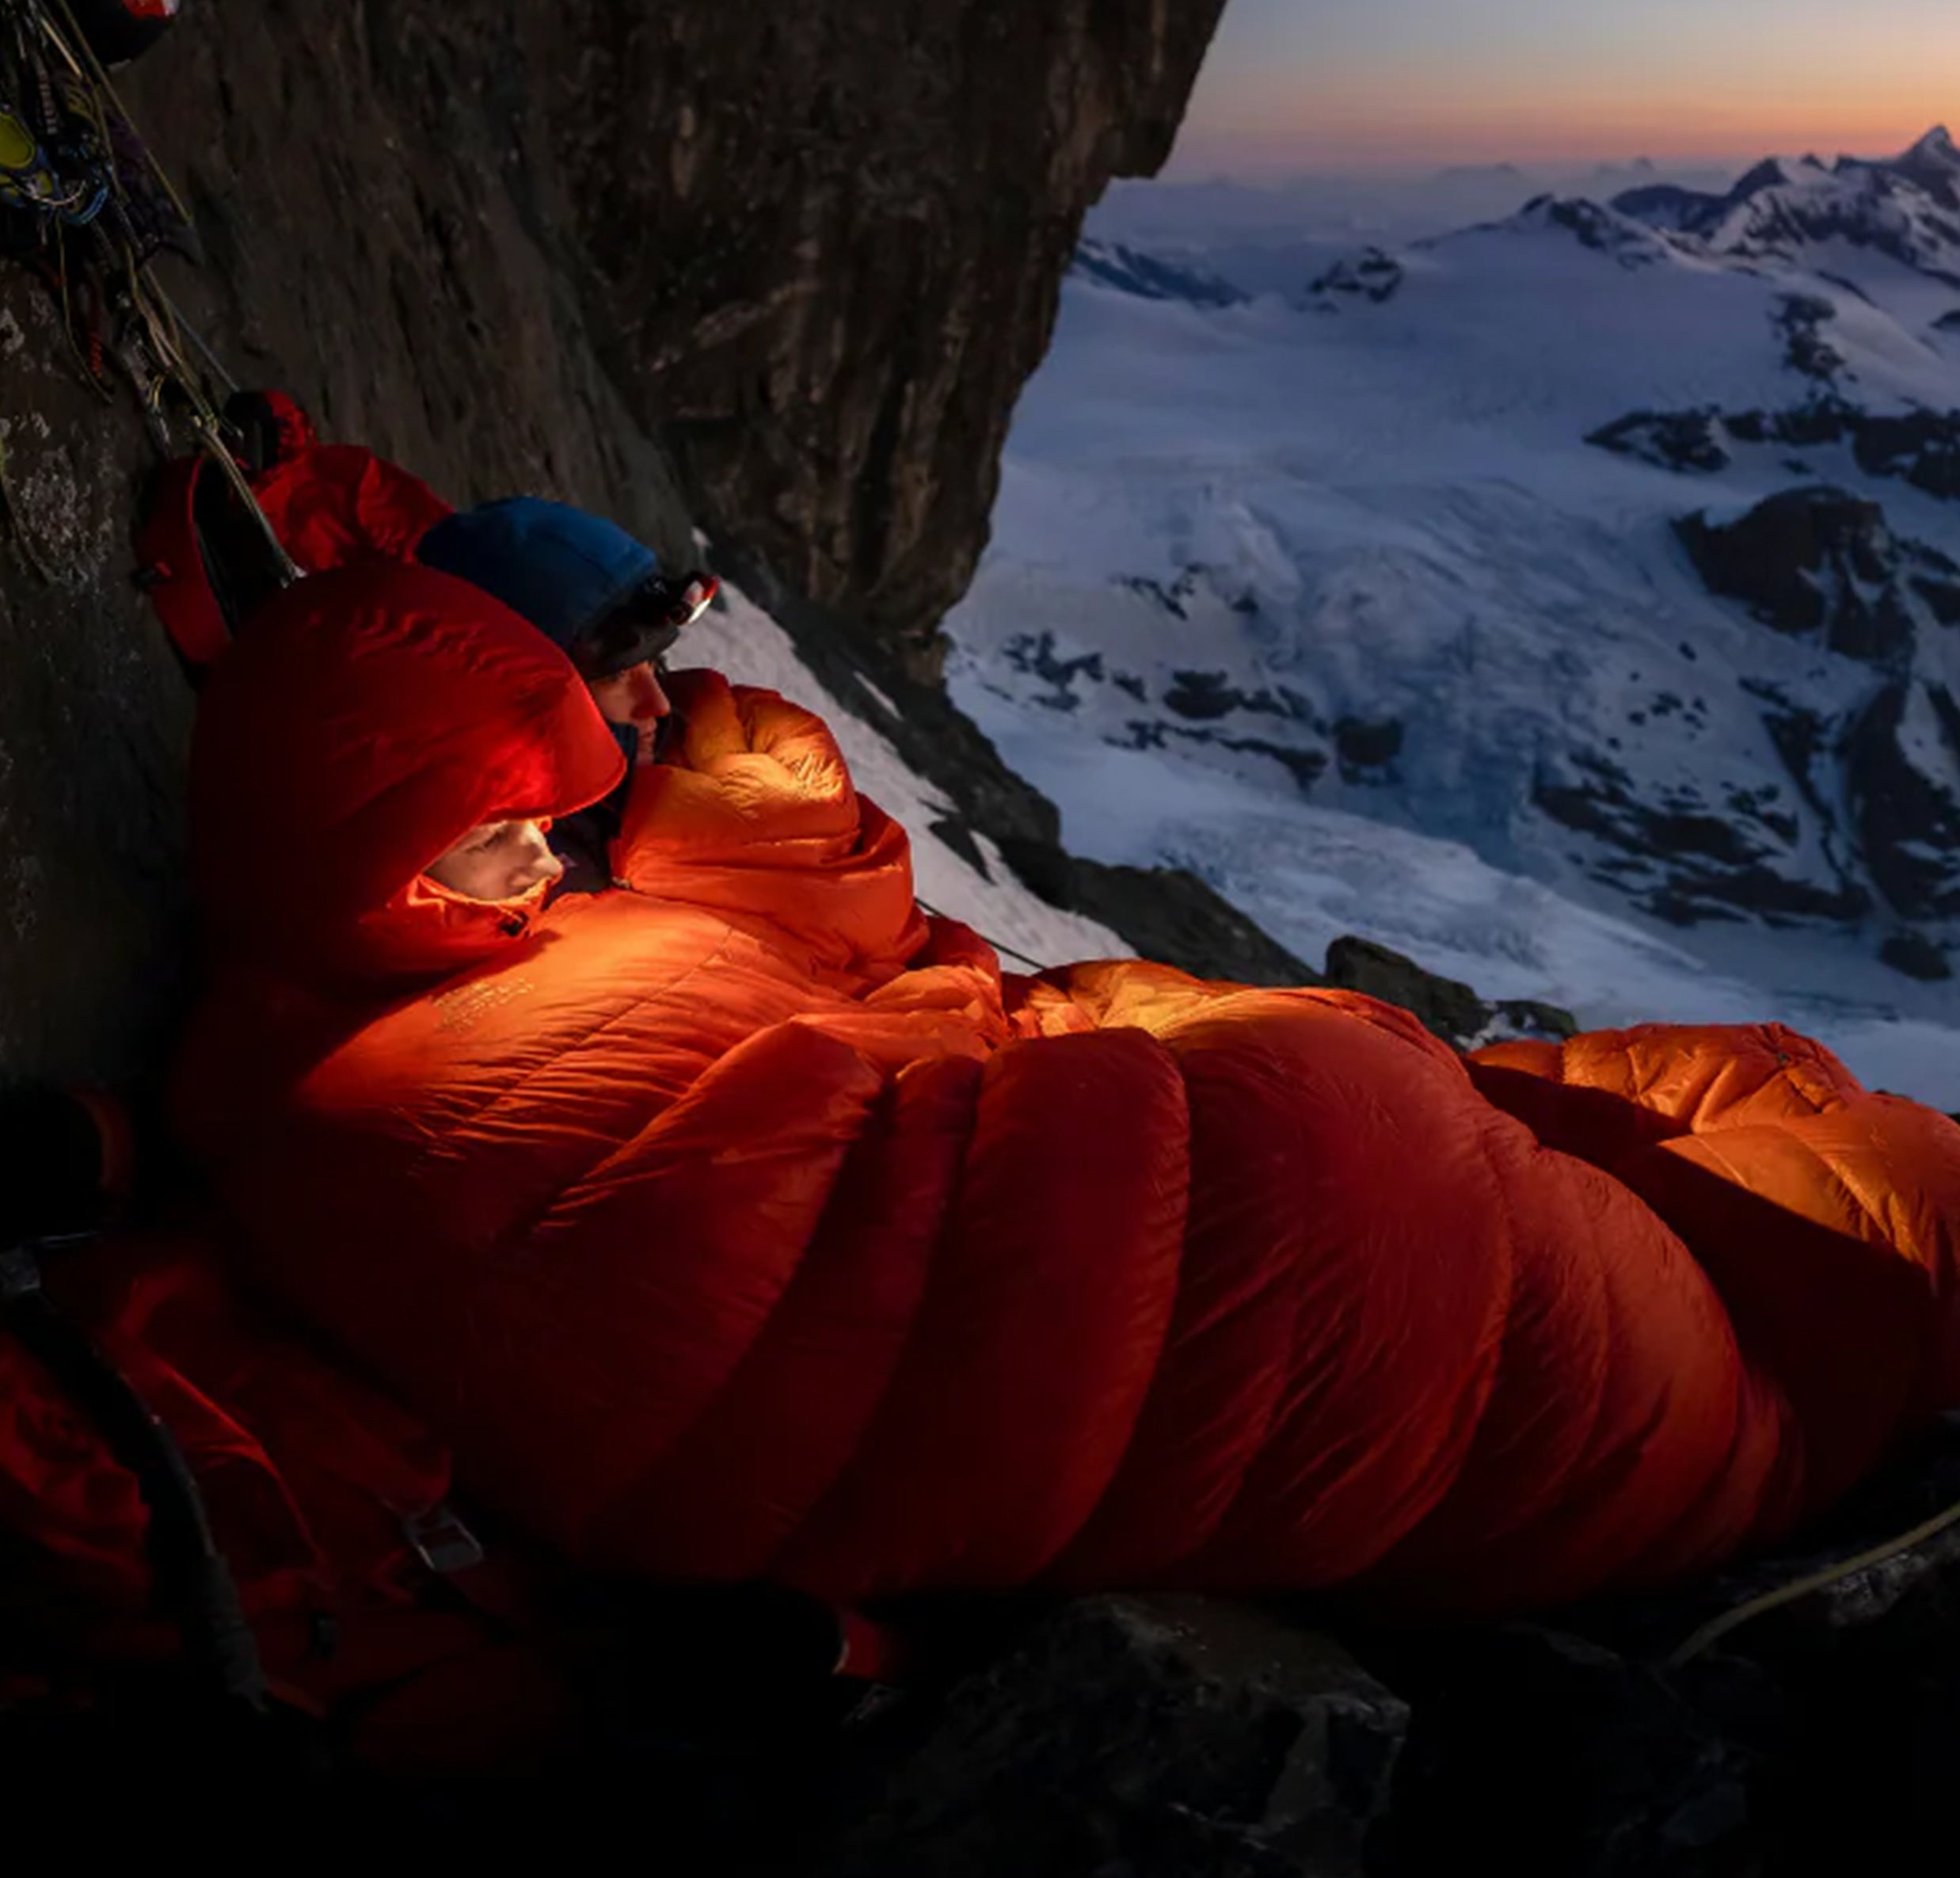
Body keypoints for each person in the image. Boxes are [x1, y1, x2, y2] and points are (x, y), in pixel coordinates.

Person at [172, 559, 1960, 1621]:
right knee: (1790, 1232)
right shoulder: (402, 1106)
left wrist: (786, 860)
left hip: (1243, 1198)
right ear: (368, 859)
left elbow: (821, 1066)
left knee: (1701, 1117)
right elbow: (826, 1240)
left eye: (546, 826)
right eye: (498, 844)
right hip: (1295, 1250)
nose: (546, 866)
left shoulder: (418, 987)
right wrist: (1132, 1046)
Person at [417, 497, 718, 888]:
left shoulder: (670, 742)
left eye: (652, 663)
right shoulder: (474, 838)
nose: (658, 704)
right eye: (616, 675)